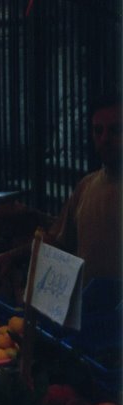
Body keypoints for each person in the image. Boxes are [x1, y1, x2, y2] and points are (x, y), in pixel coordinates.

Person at [49, 97, 122, 280]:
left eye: (115, 130)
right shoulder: (86, 186)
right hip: (89, 305)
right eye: (98, 131)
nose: (105, 138)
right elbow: (60, 243)